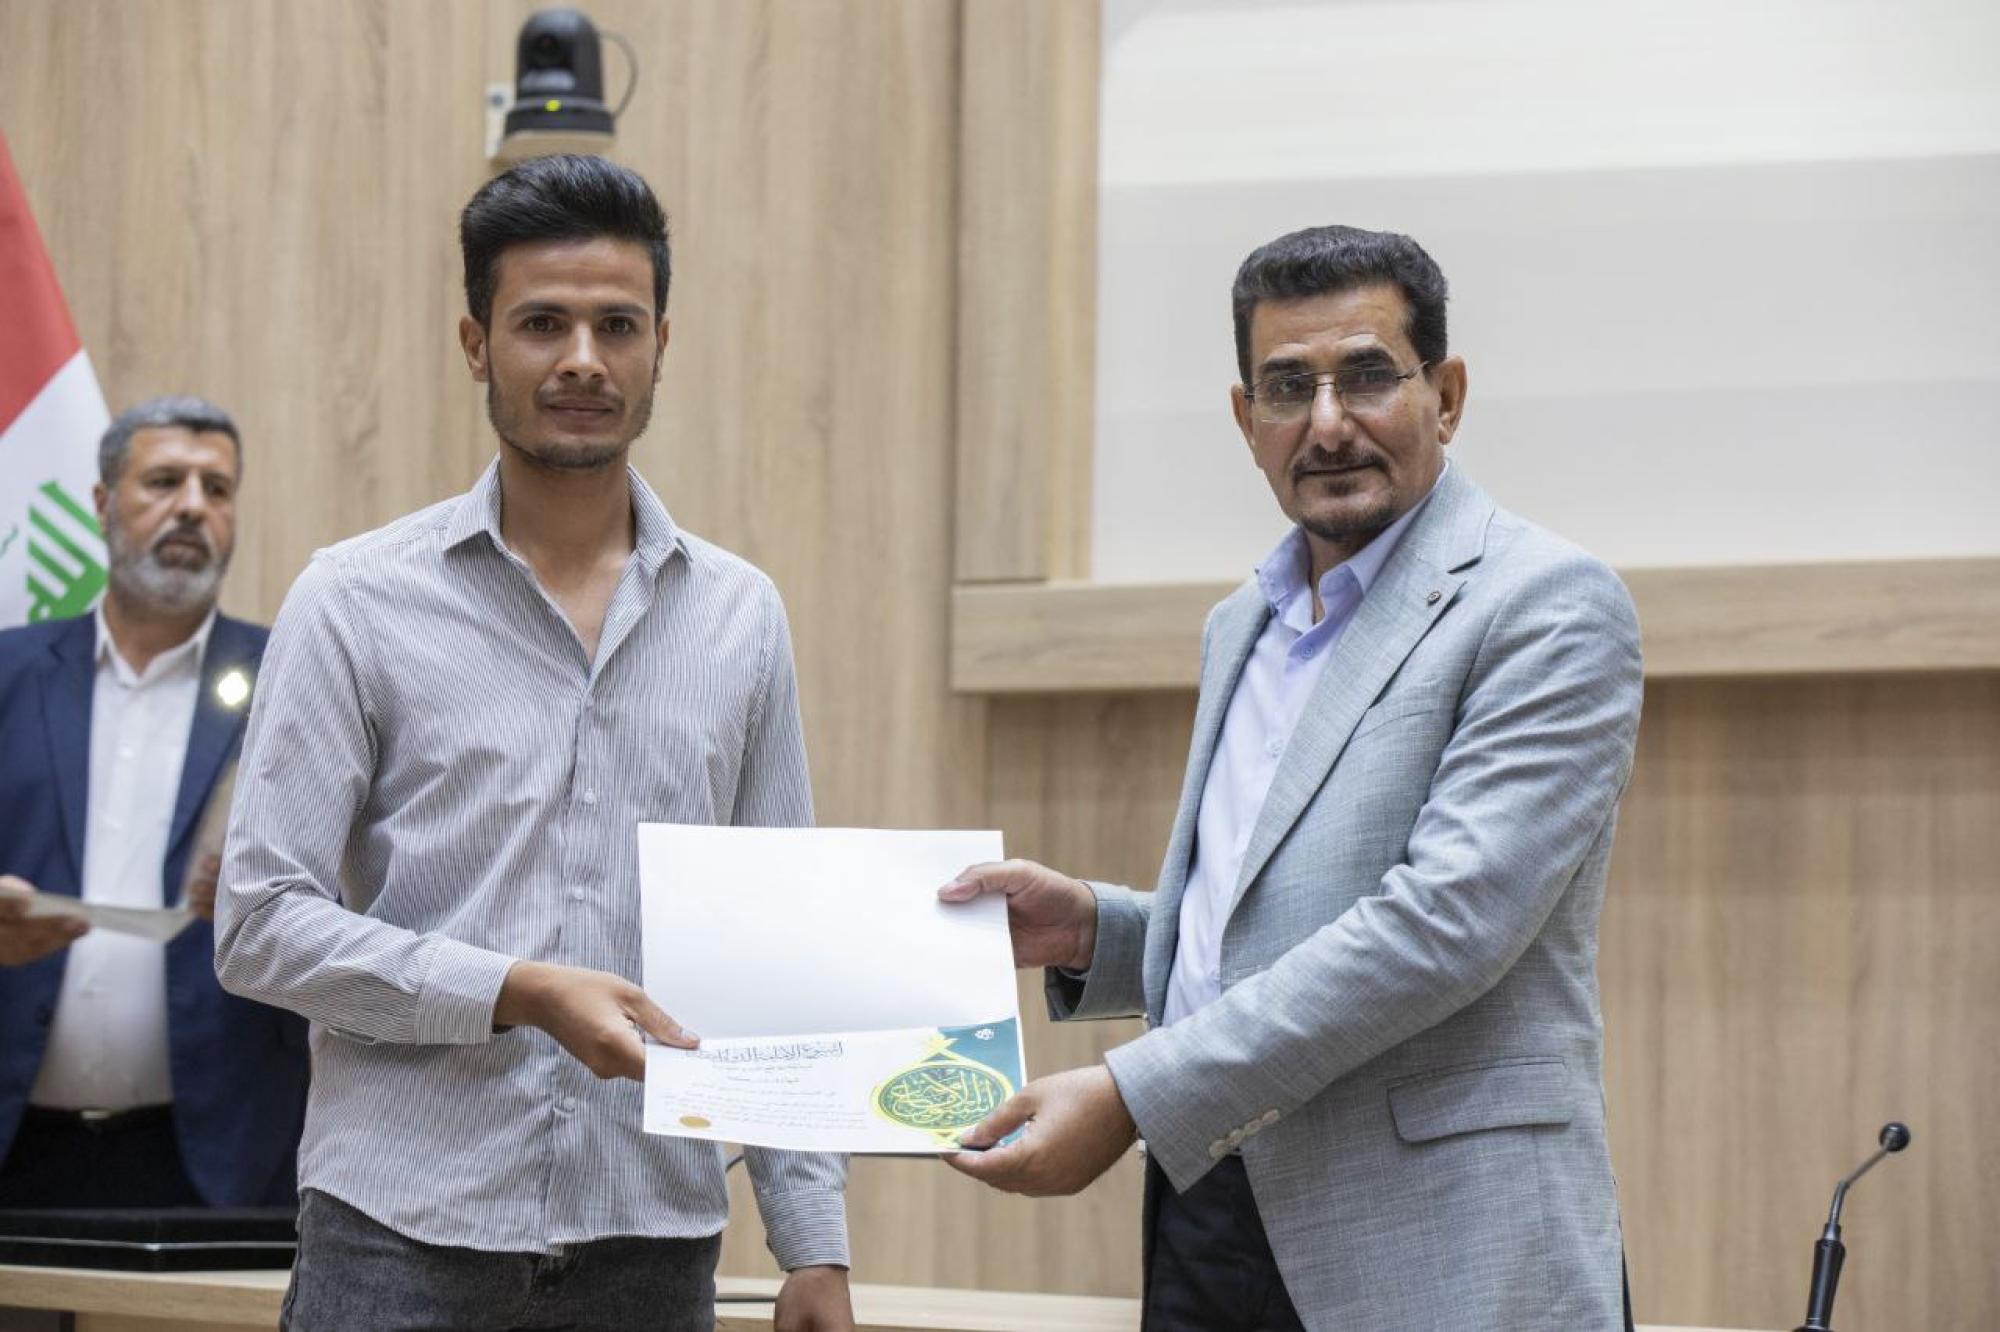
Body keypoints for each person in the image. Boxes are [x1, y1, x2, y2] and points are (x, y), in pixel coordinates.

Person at [941, 225, 1644, 1330]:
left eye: (1366, 376)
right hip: (1213, 1209)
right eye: (1286, 387)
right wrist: (1096, 931)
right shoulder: (1243, 623)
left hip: (1436, 1243)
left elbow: (1441, 927)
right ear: (1245, 419)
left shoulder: (1544, 604)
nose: (1326, 424)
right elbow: (1270, 917)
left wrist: (1130, 1092)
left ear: (1446, 396)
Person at [215, 154, 852, 1332]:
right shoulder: (351, 600)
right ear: (476, 345)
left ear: (661, 345)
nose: (583, 360)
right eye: (542, 324)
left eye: (618, 325)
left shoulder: (740, 616)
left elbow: (777, 946)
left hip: (650, 1248)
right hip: (396, 1239)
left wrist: (812, 1243)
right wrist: (514, 990)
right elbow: (258, 925)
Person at [0, 396, 307, 1209]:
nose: (193, 508)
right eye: (165, 482)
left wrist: (274, 895)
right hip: (17, 1145)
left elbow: (363, 882)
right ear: (103, 503)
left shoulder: (294, 677)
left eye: (217, 488)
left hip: (222, 1152)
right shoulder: (9, 674)